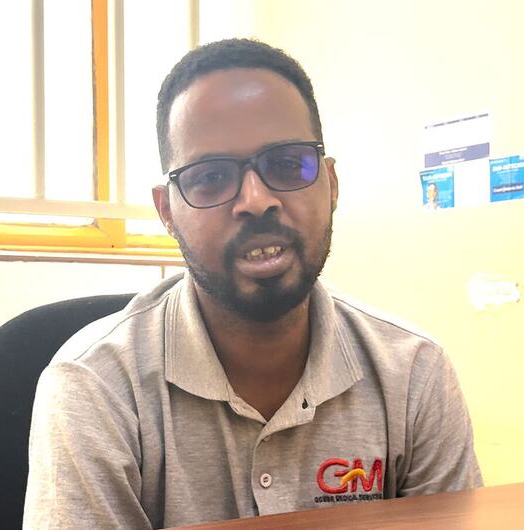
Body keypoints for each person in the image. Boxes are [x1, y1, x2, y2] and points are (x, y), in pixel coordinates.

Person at [23, 38, 481, 530]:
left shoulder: (414, 373)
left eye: (287, 165)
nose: (255, 200)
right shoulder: (96, 386)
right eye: (211, 177)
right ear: (166, 211)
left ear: (331, 185)